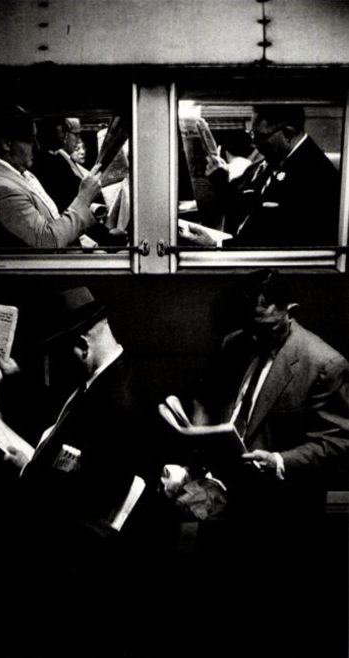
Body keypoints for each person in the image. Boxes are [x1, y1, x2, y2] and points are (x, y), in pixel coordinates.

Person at [160, 269, 349, 656]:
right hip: (227, 508)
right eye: (252, 326)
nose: (258, 337)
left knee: (273, 627)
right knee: (223, 624)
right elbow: (207, 397)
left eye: (266, 326)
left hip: (283, 520)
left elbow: (339, 441)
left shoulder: (325, 363)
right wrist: (195, 454)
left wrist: (280, 460)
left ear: (289, 310)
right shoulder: (238, 342)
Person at [0, 287, 164, 656]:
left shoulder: (119, 403)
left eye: (66, 351)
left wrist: (29, 471)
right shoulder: (109, 377)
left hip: (90, 560)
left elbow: (91, 492)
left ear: (82, 346)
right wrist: (15, 381)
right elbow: (62, 421)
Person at [183, 105, 340, 247]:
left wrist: (216, 245)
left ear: (288, 133)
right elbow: (246, 204)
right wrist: (222, 181)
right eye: (252, 134)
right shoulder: (275, 159)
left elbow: (275, 241)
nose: (254, 143)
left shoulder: (314, 175)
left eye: (260, 136)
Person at [0, 106, 102, 249]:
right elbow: (47, 241)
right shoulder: (1, 188)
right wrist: (84, 197)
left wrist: (90, 244)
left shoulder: (17, 171)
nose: (36, 146)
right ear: (6, 144)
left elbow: (53, 218)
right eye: (30, 139)